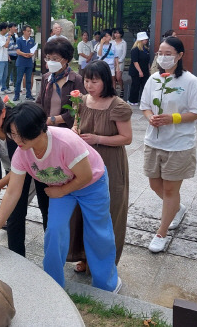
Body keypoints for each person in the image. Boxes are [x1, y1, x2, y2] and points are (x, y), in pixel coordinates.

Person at [0, 103, 121, 293]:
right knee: (54, 231)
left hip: (91, 184)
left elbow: (85, 176)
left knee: (98, 232)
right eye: (13, 133)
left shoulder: (65, 142)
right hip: (59, 187)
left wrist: (62, 191)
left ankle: (107, 284)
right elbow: (13, 192)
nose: (17, 140)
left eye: (21, 134)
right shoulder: (22, 153)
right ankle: (53, 283)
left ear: (39, 129)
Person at [140, 36, 197, 253]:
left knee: (170, 188)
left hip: (179, 143)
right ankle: (177, 208)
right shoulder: (154, 79)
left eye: (168, 53)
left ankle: (162, 232)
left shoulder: (190, 81)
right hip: (154, 140)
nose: (163, 57)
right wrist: (150, 117)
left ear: (179, 56)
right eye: (160, 53)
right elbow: (145, 106)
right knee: (154, 184)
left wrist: (173, 118)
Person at [68, 60, 132, 272]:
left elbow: (126, 138)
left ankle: (103, 262)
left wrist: (97, 138)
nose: (89, 85)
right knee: (83, 210)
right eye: (86, 80)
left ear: (106, 81)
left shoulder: (118, 106)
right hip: (85, 163)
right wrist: (75, 132)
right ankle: (84, 256)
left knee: (108, 212)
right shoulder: (81, 101)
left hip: (109, 163)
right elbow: (76, 124)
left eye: (94, 81)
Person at [0, 92, 49, 256]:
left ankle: (54, 253)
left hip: (38, 165)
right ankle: (17, 259)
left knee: (47, 209)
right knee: (14, 215)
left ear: (3, 113)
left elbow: (24, 165)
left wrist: (1, 183)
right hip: (13, 171)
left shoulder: (17, 126)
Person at [37, 37, 86, 128]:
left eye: (55, 59)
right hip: (46, 129)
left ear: (66, 59)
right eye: (48, 58)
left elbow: (79, 109)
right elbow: (39, 103)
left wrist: (53, 119)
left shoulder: (76, 80)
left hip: (66, 130)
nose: (51, 62)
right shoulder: (46, 78)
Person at [14, 25, 36, 101]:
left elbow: (33, 50)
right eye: (28, 31)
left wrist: (31, 54)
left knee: (29, 79)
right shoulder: (19, 40)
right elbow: (17, 51)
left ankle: (28, 95)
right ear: (24, 31)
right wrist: (25, 54)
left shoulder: (32, 40)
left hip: (29, 63)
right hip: (21, 63)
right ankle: (16, 95)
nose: (29, 32)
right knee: (19, 79)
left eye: (30, 31)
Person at [128, 31, 150, 105]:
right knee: (135, 85)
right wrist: (140, 71)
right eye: (145, 39)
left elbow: (147, 61)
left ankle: (144, 100)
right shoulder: (135, 49)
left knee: (144, 85)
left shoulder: (146, 49)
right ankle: (132, 100)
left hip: (145, 70)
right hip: (136, 70)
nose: (146, 41)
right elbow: (135, 61)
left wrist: (148, 69)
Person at [0, 22, 12, 93]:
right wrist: (9, 37)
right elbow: (5, 45)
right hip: (0, 59)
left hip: (5, 58)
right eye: (7, 29)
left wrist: (8, 56)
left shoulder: (4, 37)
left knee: (5, 75)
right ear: (3, 29)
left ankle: (4, 88)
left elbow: (7, 48)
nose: (7, 30)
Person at [112, 28, 127, 94]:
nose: (116, 34)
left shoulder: (123, 43)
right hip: (112, 62)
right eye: (115, 33)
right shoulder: (112, 42)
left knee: (118, 77)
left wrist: (118, 62)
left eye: (118, 33)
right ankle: (114, 91)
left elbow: (124, 54)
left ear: (121, 34)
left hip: (120, 62)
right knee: (113, 77)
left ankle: (122, 88)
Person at [6, 22, 18, 91]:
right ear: (10, 28)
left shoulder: (16, 35)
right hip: (10, 56)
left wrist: (16, 46)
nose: (15, 28)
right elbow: (9, 46)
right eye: (14, 27)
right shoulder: (7, 36)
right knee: (8, 73)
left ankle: (16, 86)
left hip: (16, 56)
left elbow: (18, 44)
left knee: (15, 73)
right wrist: (16, 46)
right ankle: (7, 87)